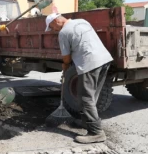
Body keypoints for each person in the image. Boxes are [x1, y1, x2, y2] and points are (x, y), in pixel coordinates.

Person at [45, 13, 113, 144]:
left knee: (85, 98)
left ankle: (96, 133)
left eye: (52, 27)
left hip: (90, 63)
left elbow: (66, 58)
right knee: (92, 96)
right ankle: (88, 122)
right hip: (104, 60)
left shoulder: (63, 33)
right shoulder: (82, 21)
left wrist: (65, 66)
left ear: (56, 21)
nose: (53, 30)